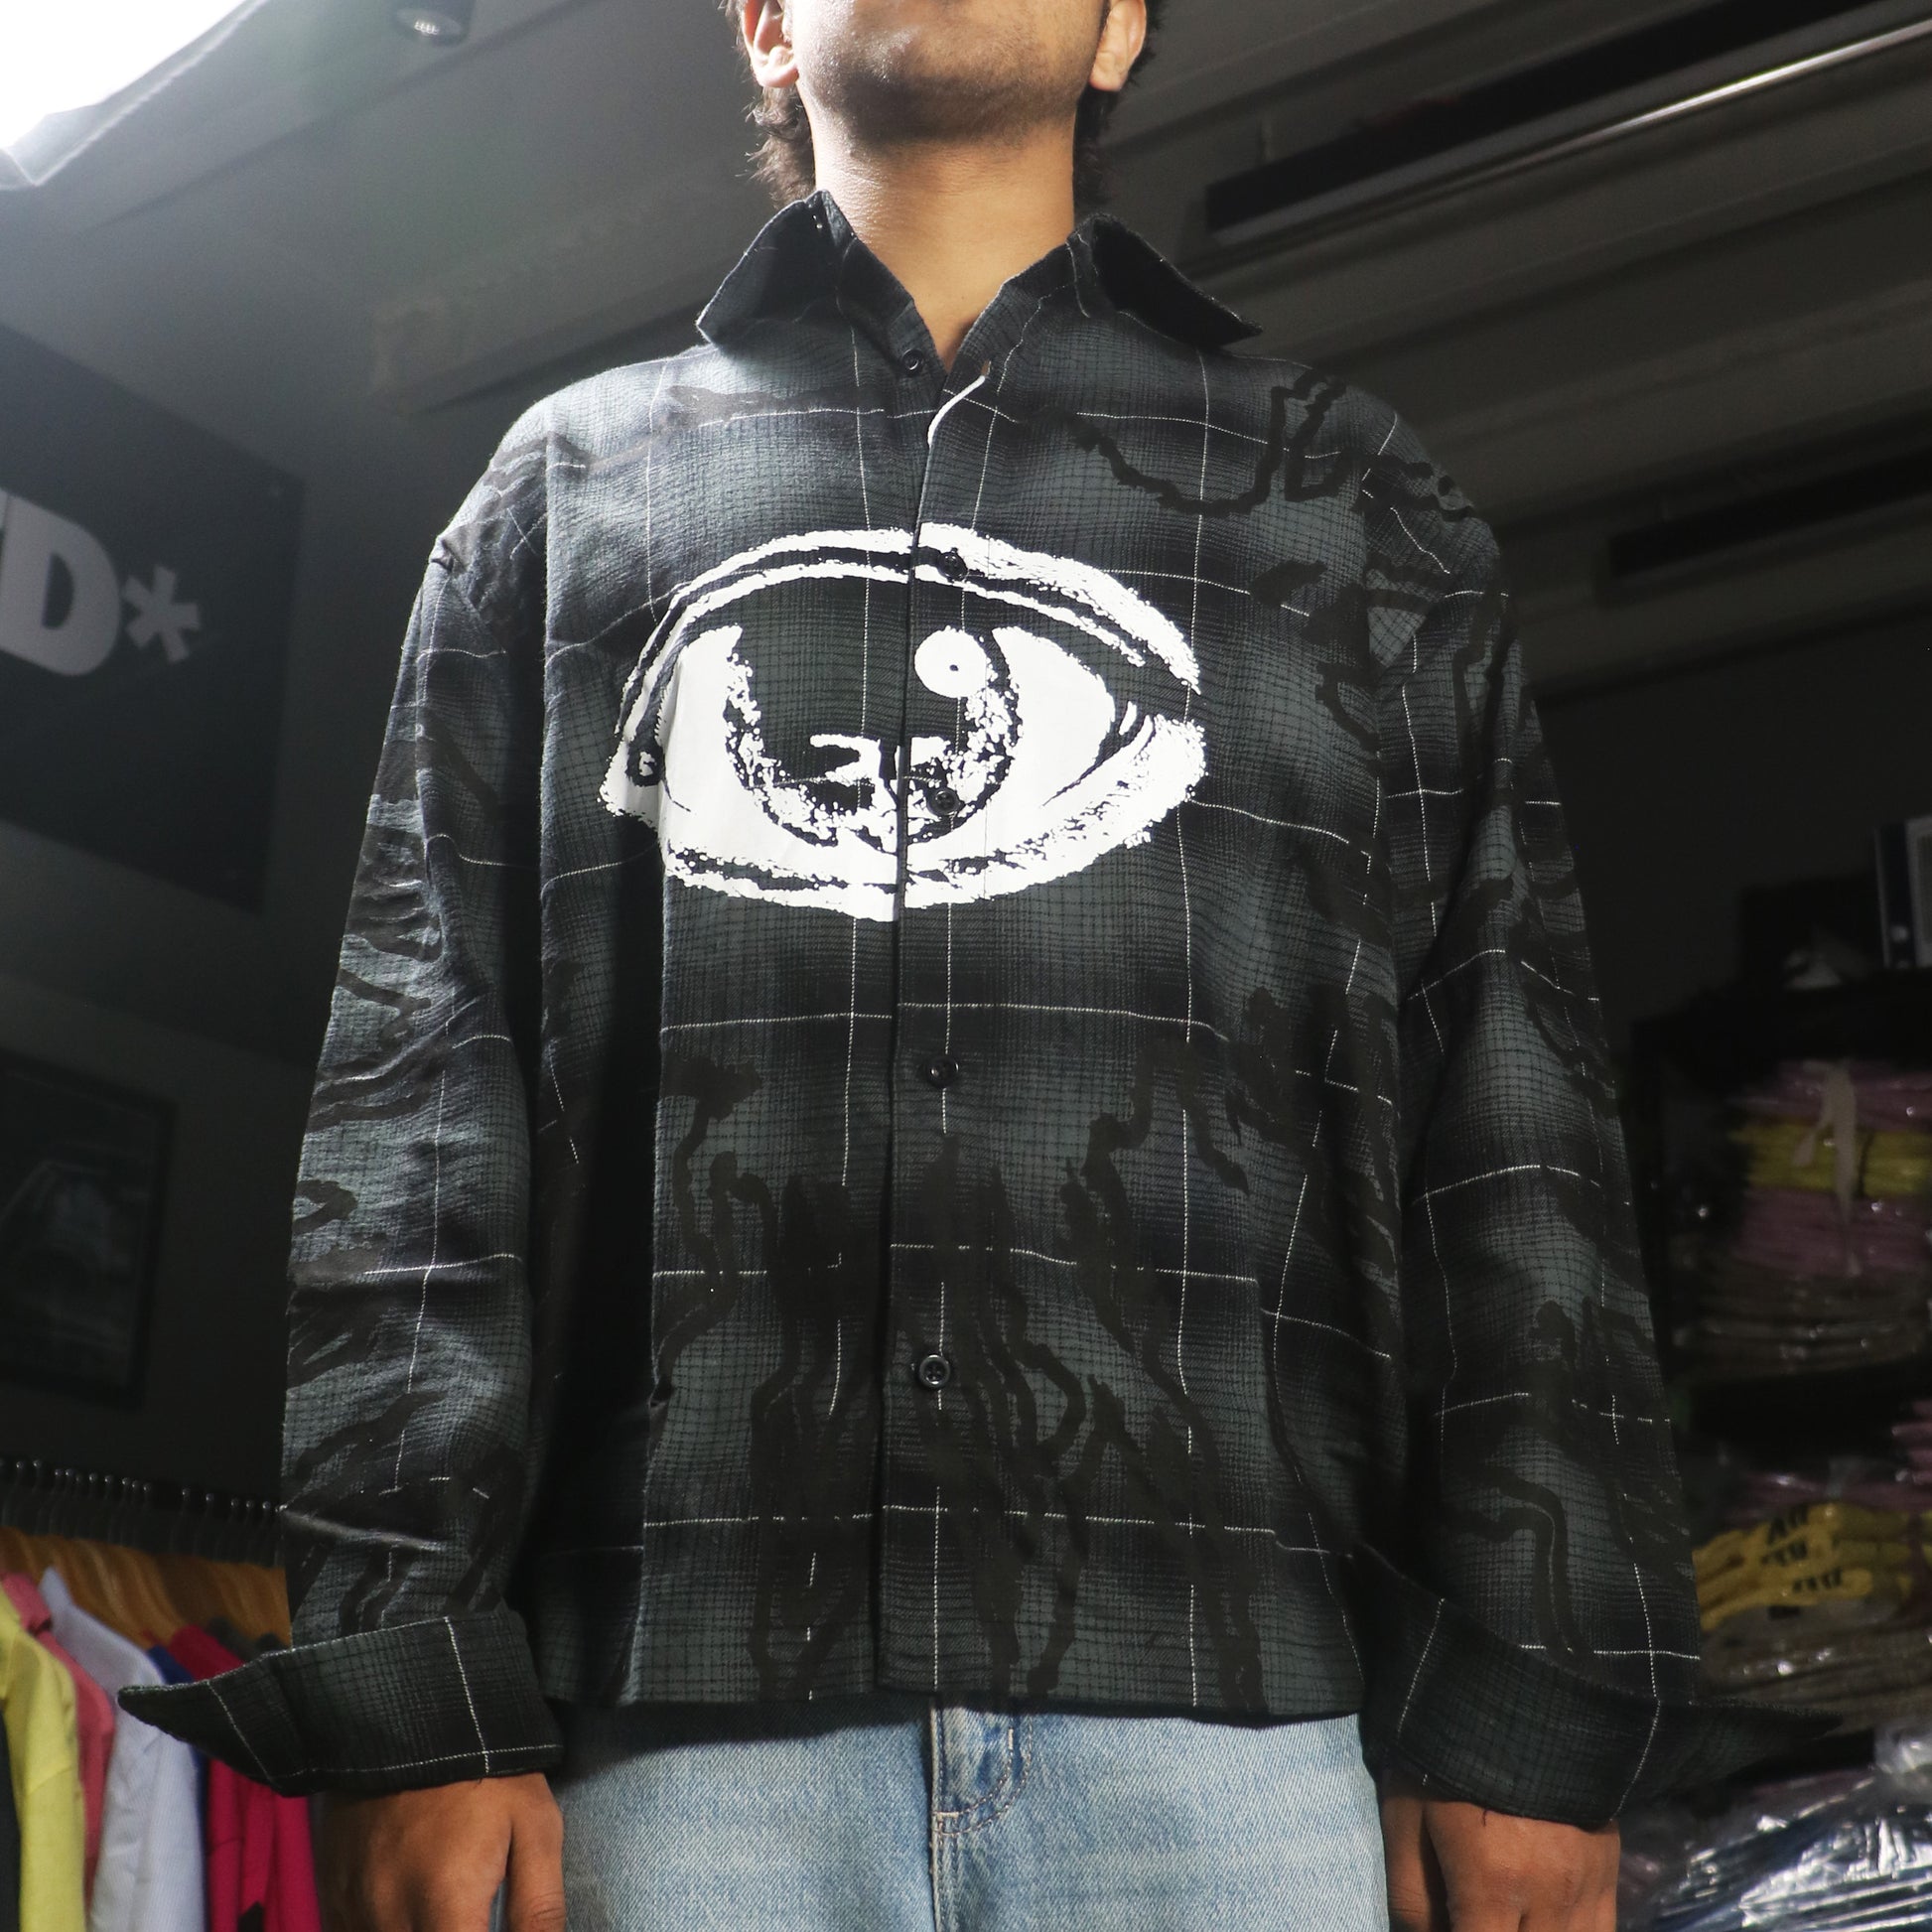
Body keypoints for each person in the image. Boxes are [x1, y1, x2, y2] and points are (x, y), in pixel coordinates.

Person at [123, 0, 1802, 1925]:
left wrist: (1531, 1710)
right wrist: (405, 1694)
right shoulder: (559, 499)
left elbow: (1507, 1126)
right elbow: (425, 1132)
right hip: (673, 1749)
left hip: (1241, 1745)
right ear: (765, 26)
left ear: (1122, 29)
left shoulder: (1354, 508)